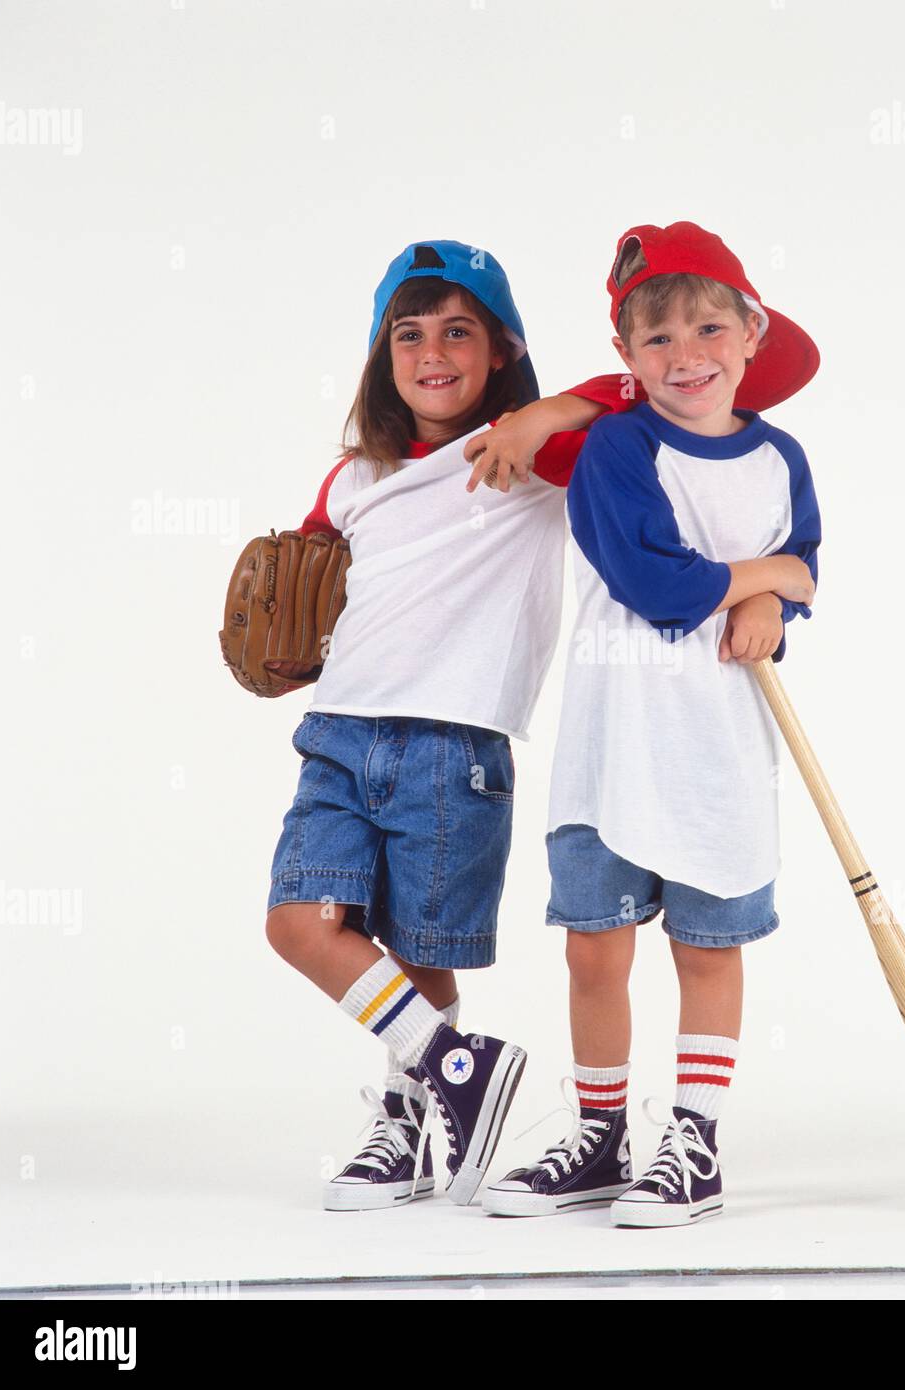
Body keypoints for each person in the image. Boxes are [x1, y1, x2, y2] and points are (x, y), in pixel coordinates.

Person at [264, 239, 626, 1211]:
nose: (433, 353)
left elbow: (649, 395)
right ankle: (455, 1067)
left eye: (459, 332)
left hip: (451, 739)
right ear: (385, 356)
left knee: (418, 950)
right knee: (300, 924)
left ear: (502, 348)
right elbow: (311, 569)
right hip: (337, 733)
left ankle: (413, 1128)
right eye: (409, 334)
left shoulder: (531, 453)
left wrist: (548, 412)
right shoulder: (354, 476)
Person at [482, 222, 821, 1226]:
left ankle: (694, 1142)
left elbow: (804, 553)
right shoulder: (619, 448)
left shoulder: (780, 456)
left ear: (751, 334)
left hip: (720, 744)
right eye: (658, 340)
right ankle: (597, 1134)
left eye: (710, 327)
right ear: (627, 362)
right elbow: (655, 583)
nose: (688, 356)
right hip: (611, 738)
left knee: (709, 948)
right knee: (594, 946)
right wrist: (774, 577)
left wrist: (778, 604)